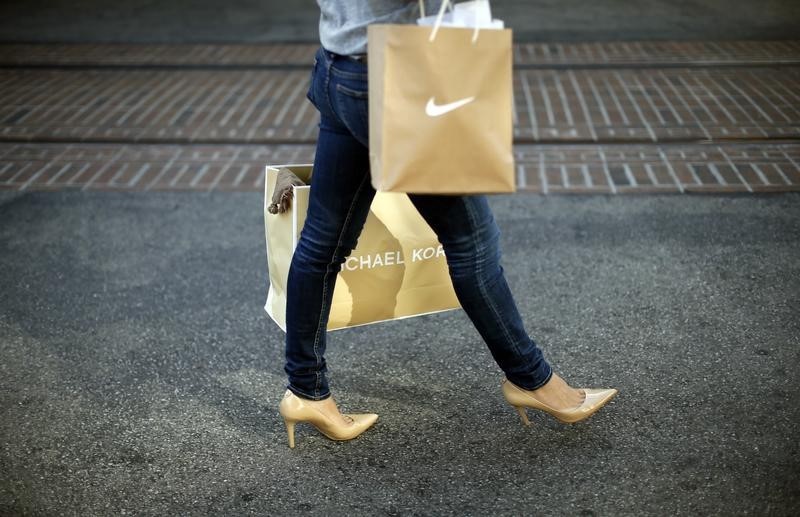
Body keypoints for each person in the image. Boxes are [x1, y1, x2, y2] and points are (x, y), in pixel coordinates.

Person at [277, 0, 617, 449]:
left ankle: (306, 391)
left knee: (324, 241)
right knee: (472, 242)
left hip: (338, 66)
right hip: (399, 76)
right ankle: (533, 381)